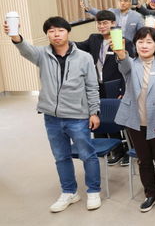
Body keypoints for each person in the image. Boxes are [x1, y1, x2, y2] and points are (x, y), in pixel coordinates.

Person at [5, 16, 102, 212]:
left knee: (88, 155)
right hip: (52, 117)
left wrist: (94, 112)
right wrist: (15, 35)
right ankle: (69, 192)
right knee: (61, 156)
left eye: (60, 30)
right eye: (51, 31)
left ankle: (93, 190)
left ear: (68, 32)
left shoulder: (84, 57)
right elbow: (25, 49)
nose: (56, 34)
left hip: (77, 116)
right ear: (47, 35)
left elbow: (92, 87)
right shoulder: (42, 55)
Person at [113, 27, 155, 212]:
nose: (144, 45)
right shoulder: (131, 64)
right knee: (144, 161)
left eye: (149, 41)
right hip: (135, 121)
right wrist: (121, 54)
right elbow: (123, 64)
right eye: (140, 41)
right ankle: (151, 194)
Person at [75, 10, 135, 166]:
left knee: (121, 119)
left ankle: (128, 149)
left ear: (113, 24)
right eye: (99, 23)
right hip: (98, 86)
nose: (101, 26)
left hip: (116, 85)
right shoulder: (94, 39)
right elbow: (78, 46)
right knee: (104, 117)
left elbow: (129, 69)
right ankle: (114, 149)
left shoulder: (123, 41)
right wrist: (62, 41)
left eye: (105, 23)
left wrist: (125, 89)